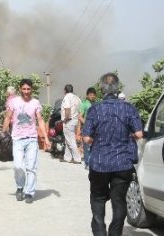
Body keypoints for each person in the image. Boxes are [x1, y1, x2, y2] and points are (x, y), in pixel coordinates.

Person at [82, 73, 143, 236]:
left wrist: (98, 140)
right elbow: (139, 134)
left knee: (98, 199)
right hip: (123, 163)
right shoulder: (129, 108)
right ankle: (114, 232)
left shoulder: (95, 109)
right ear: (118, 88)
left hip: (99, 164)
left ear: (101, 88)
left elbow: (87, 137)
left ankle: (100, 232)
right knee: (119, 201)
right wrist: (127, 136)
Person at [2, 78, 50, 204]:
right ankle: (20, 187)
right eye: (24, 89)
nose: (26, 91)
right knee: (18, 166)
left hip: (32, 139)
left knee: (31, 167)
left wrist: (46, 138)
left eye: (28, 89)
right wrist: (4, 134)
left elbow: (40, 120)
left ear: (31, 89)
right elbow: (7, 118)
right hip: (17, 138)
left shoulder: (36, 103)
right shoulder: (14, 102)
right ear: (20, 89)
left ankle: (29, 192)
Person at [60, 84, 82, 164]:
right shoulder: (76, 97)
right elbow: (80, 109)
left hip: (68, 121)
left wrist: (66, 119)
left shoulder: (67, 97)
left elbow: (67, 108)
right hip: (75, 120)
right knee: (68, 139)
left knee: (71, 140)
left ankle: (77, 158)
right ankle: (67, 158)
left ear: (65, 90)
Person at [78, 87, 97, 170]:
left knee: (94, 146)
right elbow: (79, 116)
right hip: (87, 128)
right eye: (91, 95)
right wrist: (86, 124)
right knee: (87, 147)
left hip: (95, 128)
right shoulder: (84, 104)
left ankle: (93, 162)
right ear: (87, 95)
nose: (92, 96)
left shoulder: (96, 104)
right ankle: (87, 163)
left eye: (94, 95)